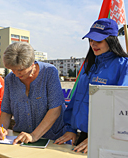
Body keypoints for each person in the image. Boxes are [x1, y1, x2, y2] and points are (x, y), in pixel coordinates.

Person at [54, 18, 128, 153]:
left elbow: (122, 109)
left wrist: (100, 137)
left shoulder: (124, 66)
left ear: (111, 40)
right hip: (83, 137)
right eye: (90, 40)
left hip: (108, 138)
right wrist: (71, 129)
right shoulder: (88, 65)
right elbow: (75, 100)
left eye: (98, 40)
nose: (93, 44)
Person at [0, 42, 66, 144]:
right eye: (12, 69)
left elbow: (55, 109)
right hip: (20, 139)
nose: (15, 74)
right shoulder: (9, 79)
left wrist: (33, 136)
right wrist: (2, 129)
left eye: (20, 70)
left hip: (52, 139)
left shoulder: (49, 72)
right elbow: (6, 110)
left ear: (32, 63)